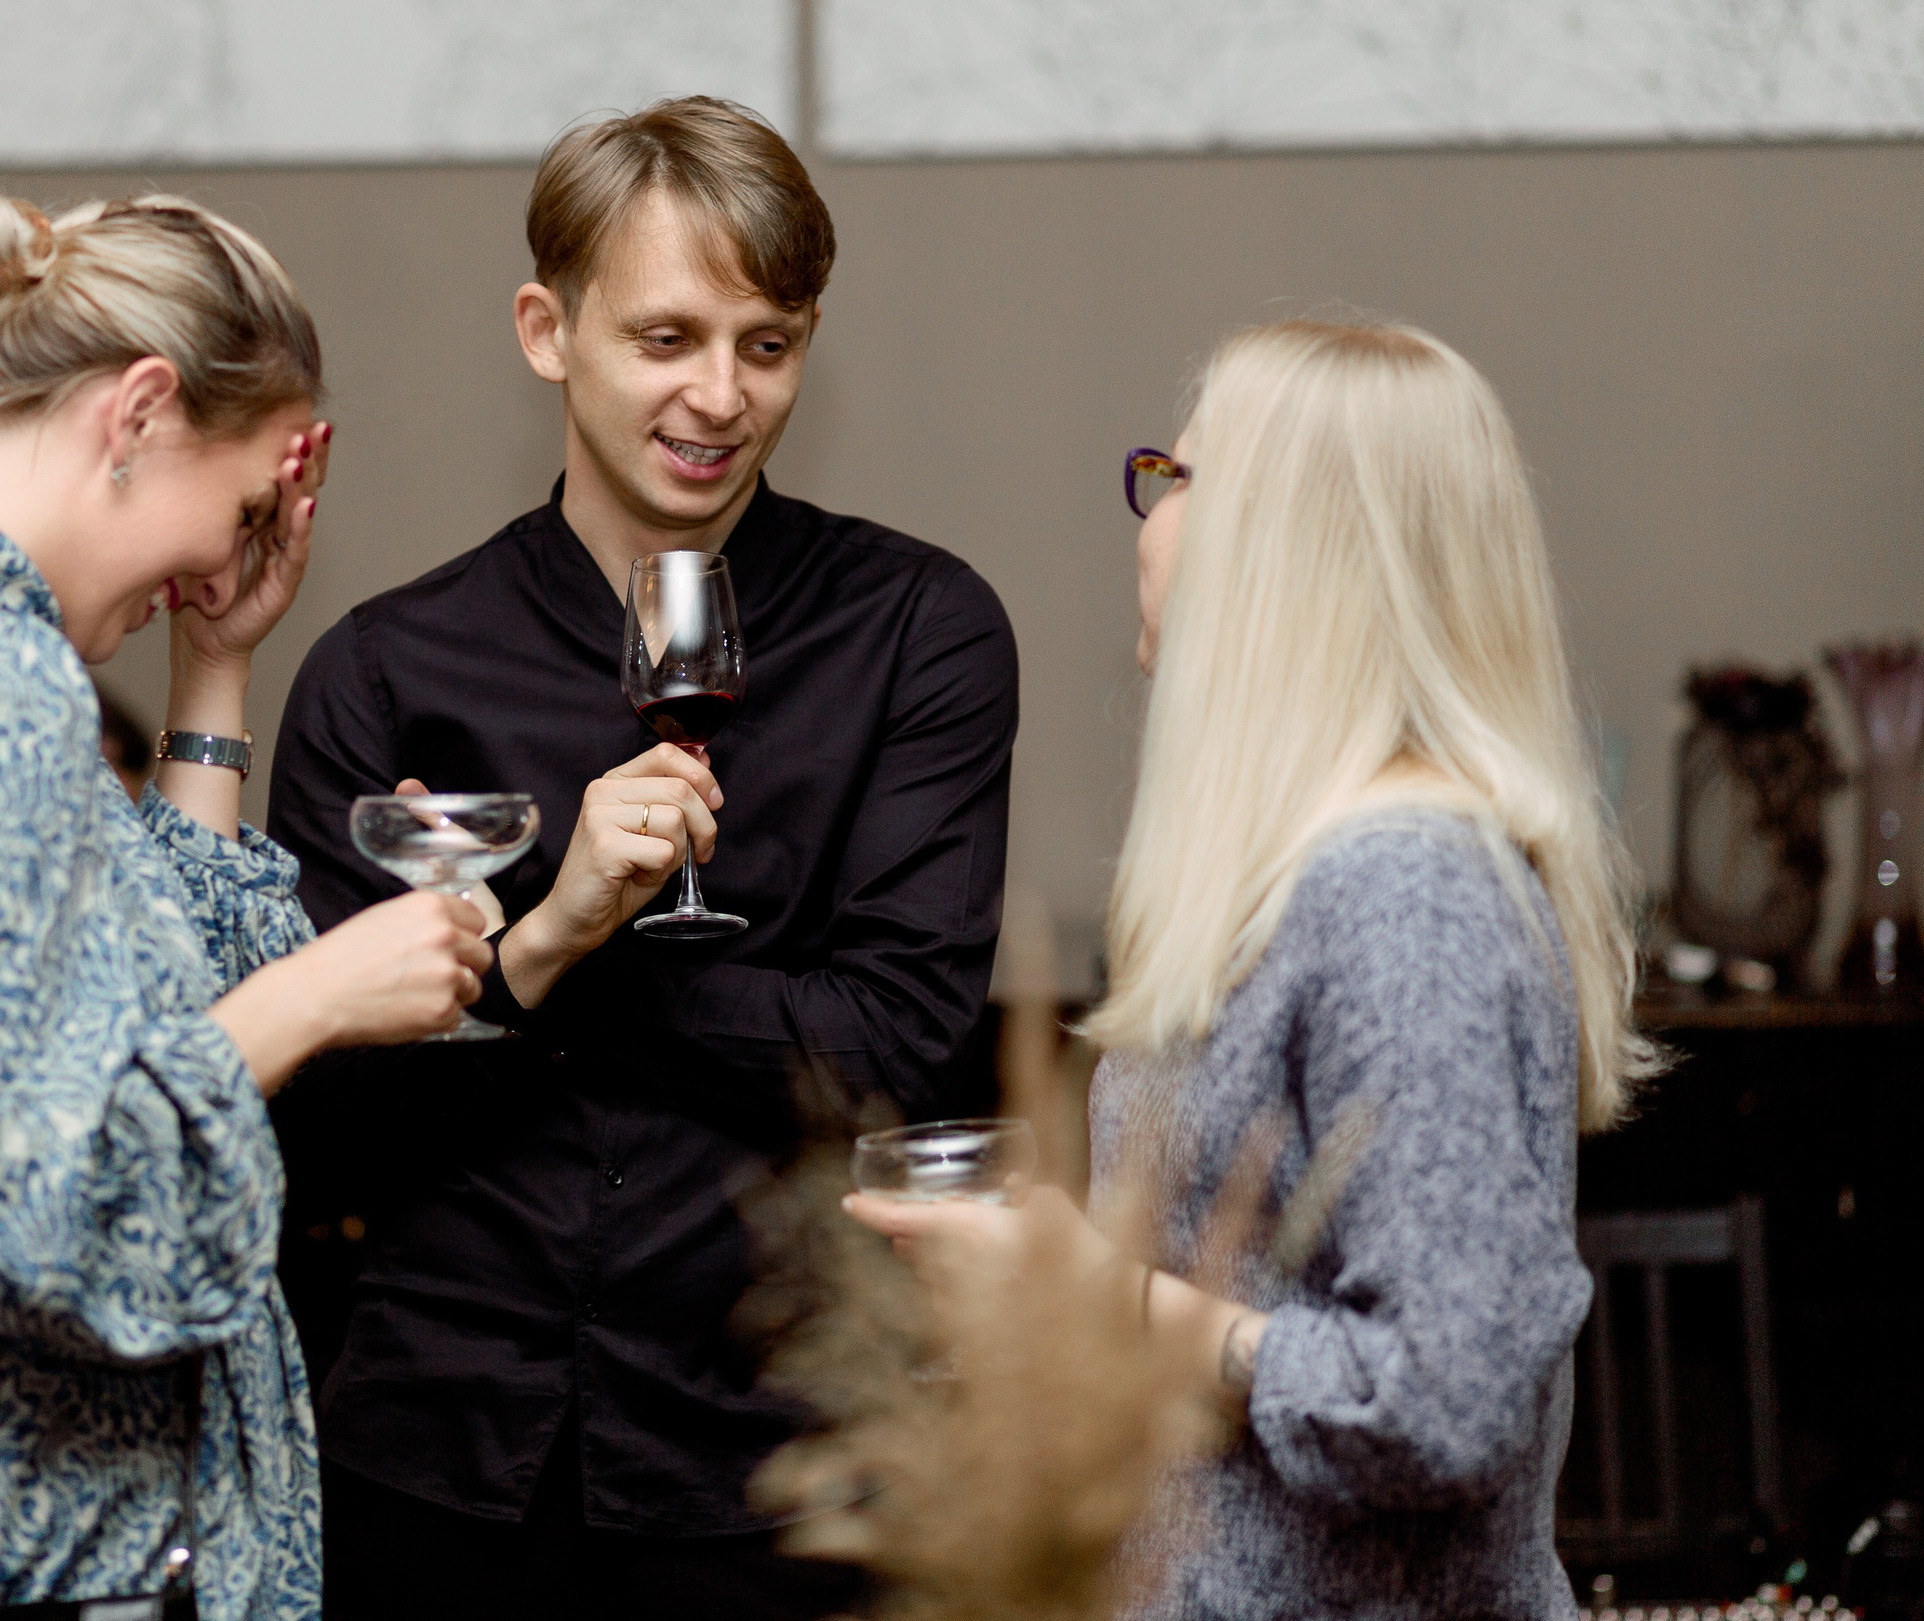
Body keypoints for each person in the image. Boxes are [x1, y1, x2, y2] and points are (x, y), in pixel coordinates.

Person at [0, 190, 493, 1621]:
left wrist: (216, 667)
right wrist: (317, 998)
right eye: (240, 504)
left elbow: (112, 997)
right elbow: (34, 1210)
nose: (226, 555)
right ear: (139, 411)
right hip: (44, 1560)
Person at [265, 97, 1019, 1620]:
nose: (721, 395)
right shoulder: (391, 668)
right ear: (549, 331)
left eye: (768, 342)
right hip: (438, 1455)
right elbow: (318, 1125)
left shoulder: (916, 634)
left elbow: (900, 1051)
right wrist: (555, 928)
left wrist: (538, 968)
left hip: (784, 1458)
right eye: (666, 338)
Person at [851, 319, 1658, 1618]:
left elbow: (1445, 1406)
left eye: (1181, 478)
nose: (1147, 520)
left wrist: (1097, 1300)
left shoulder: (1406, 891)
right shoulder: (1306, 878)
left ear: (1297, 551)